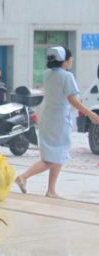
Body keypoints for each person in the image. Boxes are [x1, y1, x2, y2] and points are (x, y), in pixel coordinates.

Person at [15, 46, 99, 198]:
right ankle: (24, 177)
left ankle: (51, 190)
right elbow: (73, 100)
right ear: (64, 61)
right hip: (59, 120)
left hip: (47, 117)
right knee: (53, 158)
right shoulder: (67, 76)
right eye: (70, 59)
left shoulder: (47, 74)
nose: (72, 61)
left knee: (57, 154)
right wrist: (90, 113)